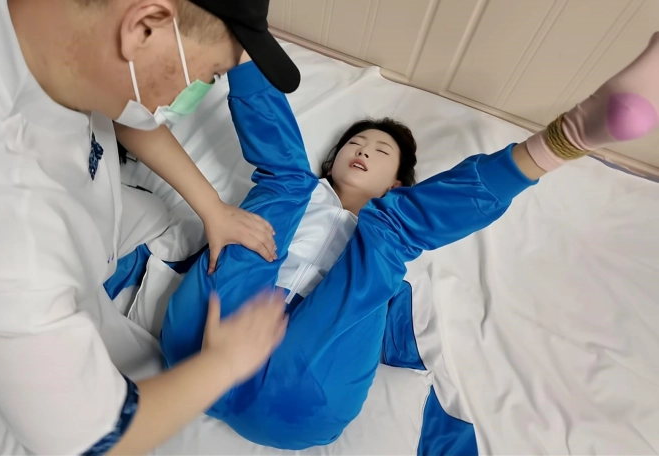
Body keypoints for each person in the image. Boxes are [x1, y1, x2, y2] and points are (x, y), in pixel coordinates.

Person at [161, 33, 659, 450]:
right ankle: (237, 40)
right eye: (354, 144)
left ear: (397, 184)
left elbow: (401, 349)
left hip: (300, 395)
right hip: (199, 341)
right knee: (285, 181)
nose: (362, 151)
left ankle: (566, 139)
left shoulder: (385, 236)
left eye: (381, 151)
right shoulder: (301, 190)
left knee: (387, 236)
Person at [0, 0, 301, 454]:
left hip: (80, 226)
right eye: (212, 75)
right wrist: (227, 363)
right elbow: (96, 438)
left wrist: (212, 208)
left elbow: (124, 99)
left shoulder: (57, 29)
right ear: (145, 26)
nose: (199, 90)